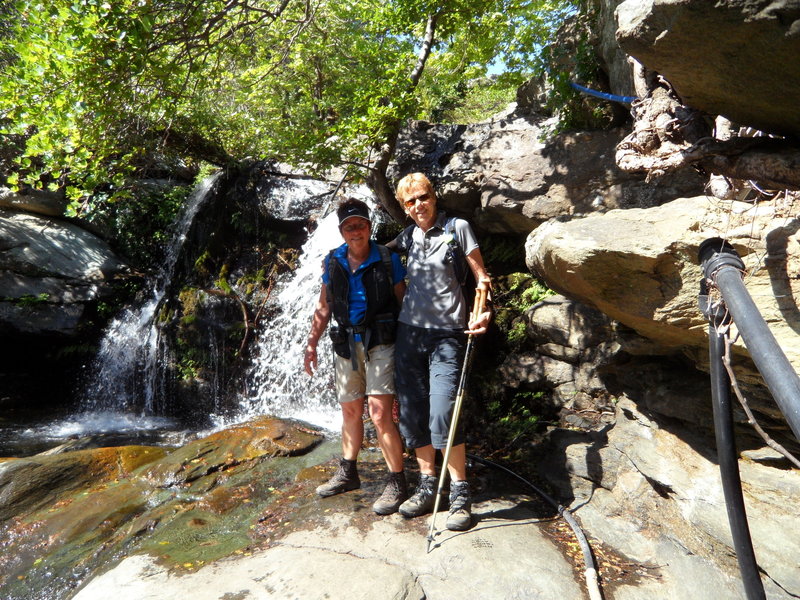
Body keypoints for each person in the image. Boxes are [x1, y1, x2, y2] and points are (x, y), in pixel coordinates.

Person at [389, 172, 491, 531]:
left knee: (443, 411)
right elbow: (396, 280)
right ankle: (428, 485)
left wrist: (483, 312)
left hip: (448, 334)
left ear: (434, 196)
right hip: (409, 336)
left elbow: (481, 277)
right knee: (413, 414)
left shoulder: (457, 228)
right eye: (410, 201)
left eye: (423, 197)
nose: (419, 205)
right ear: (403, 208)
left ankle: (460, 491)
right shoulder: (407, 238)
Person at [303, 198, 409, 515]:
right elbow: (324, 306)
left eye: (360, 225)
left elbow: (404, 304)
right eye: (349, 227)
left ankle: (397, 481)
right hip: (346, 343)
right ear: (341, 231)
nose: (356, 231)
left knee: (379, 413)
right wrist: (311, 344)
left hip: (382, 342)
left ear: (369, 226)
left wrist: (410, 348)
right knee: (350, 411)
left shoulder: (389, 259)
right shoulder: (333, 261)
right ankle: (348, 473)